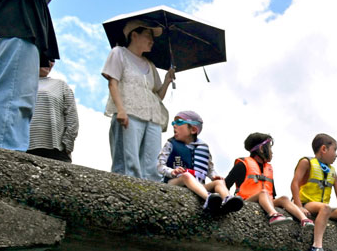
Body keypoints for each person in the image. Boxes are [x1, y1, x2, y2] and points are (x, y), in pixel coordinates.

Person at [0, 0, 60, 152]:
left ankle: (10, 148)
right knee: (13, 93)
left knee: (21, 95)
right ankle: (4, 150)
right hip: (18, 21)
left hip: (22, 21)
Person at [102, 20, 174, 178]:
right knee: (128, 163)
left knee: (152, 166)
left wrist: (167, 80)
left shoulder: (150, 64)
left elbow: (157, 96)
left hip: (152, 118)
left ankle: (151, 197)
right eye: (148, 35)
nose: (152, 41)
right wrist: (121, 110)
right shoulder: (119, 53)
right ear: (134, 35)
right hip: (129, 114)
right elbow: (112, 83)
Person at [157, 110, 242, 216]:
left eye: (178, 123)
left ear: (193, 129)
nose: (174, 125)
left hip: (199, 186)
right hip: (174, 183)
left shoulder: (203, 147)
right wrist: (172, 171)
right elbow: (160, 166)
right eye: (173, 123)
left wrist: (214, 176)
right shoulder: (171, 144)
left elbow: (210, 168)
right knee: (186, 176)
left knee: (220, 182)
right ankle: (208, 199)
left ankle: (227, 200)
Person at [225, 133, 313, 229]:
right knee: (263, 192)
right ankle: (273, 215)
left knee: (284, 198)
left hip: (266, 201)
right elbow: (225, 185)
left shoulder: (268, 169)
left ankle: (304, 220)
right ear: (262, 149)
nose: (272, 152)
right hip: (246, 201)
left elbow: (273, 195)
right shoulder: (242, 165)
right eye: (270, 148)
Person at [27, 59, 78, 162]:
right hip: (23, 147)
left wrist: (67, 146)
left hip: (55, 150)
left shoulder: (60, 85)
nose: (50, 63)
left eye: (53, 60)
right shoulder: (19, 85)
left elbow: (72, 119)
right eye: (47, 58)